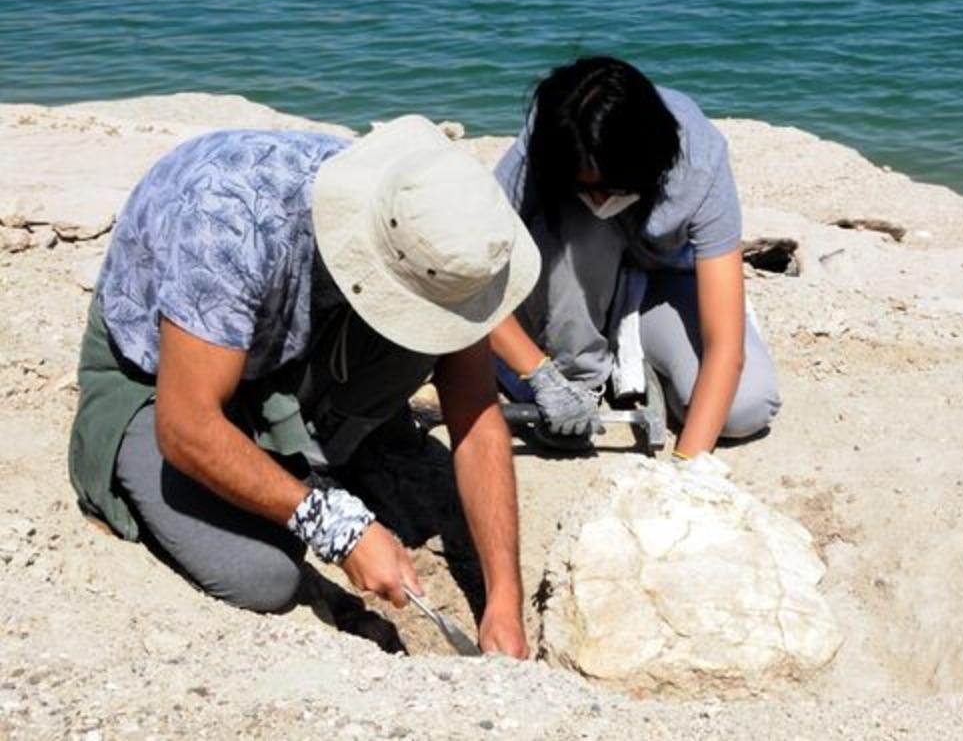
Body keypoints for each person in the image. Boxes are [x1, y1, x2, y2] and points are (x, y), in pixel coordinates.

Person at [67, 116, 539, 657]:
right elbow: (186, 425)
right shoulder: (228, 221)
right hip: (156, 380)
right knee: (263, 576)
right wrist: (335, 527)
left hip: (281, 353)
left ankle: (295, 453)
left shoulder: (423, 233)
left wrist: (505, 599)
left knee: (430, 340)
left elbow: (477, 416)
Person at [489, 56, 780, 459]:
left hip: (658, 287)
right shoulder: (553, 138)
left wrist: (686, 467)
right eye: (585, 186)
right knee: (583, 225)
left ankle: (631, 355)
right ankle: (576, 377)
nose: (600, 199)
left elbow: (725, 344)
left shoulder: (698, 158)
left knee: (745, 408)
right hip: (567, 274)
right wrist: (537, 373)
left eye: (610, 188)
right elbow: (468, 277)